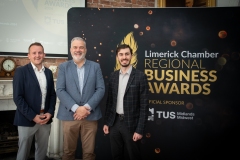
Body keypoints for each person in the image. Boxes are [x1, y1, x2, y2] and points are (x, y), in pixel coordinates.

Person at [56, 37, 105, 160]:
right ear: (71, 49)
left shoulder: (95, 67)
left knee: (89, 154)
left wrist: (86, 108)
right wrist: (77, 108)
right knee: (68, 153)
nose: (78, 50)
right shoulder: (63, 67)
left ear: (86, 50)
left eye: (81, 47)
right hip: (69, 116)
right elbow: (60, 90)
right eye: (75, 47)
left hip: (90, 115)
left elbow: (100, 89)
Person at [103, 44, 149, 160]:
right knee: (116, 155)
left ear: (131, 56)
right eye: (121, 54)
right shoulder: (113, 76)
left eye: (127, 54)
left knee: (134, 156)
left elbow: (144, 106)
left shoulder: (140, 76)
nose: (124, 57)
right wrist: (107, 122)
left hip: (132, 125)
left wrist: (139, 130)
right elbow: (109, 102)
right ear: (117, 57)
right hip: (114, 123)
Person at [13, 42, 56, 160]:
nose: (37, 55)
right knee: (23, 154)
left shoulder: (48, 72)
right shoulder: (21, 72)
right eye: (34, 53)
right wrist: (33, 116)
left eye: (40, 53)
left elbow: (52, 95)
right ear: (29, 56)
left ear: (44, 54)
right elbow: (18, 98)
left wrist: (50, 112)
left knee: (41, 154)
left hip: (45, 119)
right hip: (26, 119)